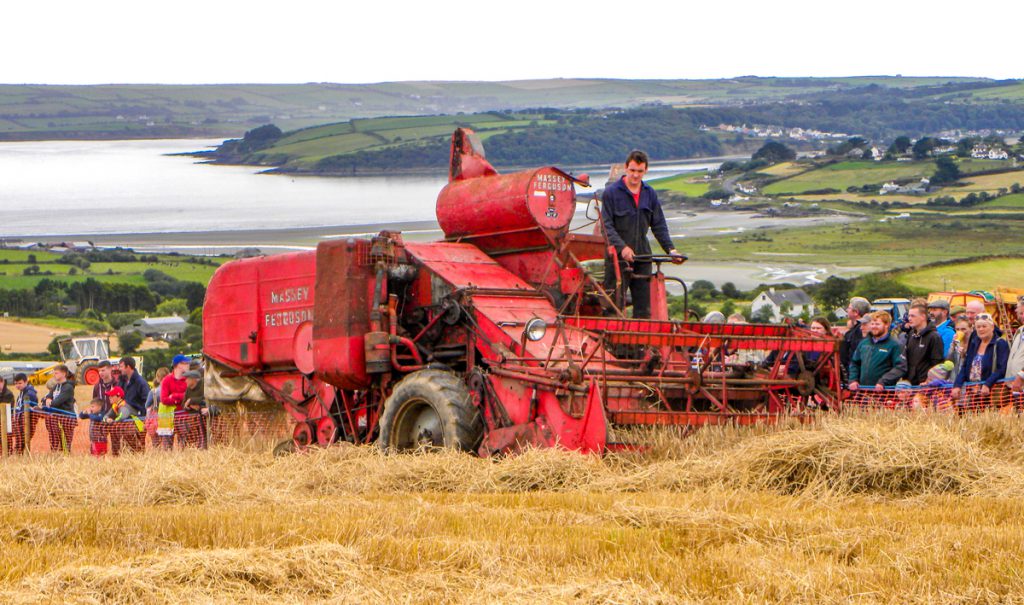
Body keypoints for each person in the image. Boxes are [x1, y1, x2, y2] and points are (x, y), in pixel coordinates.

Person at [601, 149, 684, 319]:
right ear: (625, 168)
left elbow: (659, 225)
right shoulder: (611, 193)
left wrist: (671, 250)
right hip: (617, 259)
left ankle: (640, 345)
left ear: (646, 170)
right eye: (632, 170)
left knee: (644, 308)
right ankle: (614, 344)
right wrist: (622, 248)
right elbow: (606, 227)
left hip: (643, 257)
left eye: (640, 171)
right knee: (614, 306)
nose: (636, 175)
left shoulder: (650, 194)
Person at [952, 313, 1009, 402]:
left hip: (990, 393)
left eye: (984, 326)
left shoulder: (1000, 344)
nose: (981, 329)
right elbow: (965, 366)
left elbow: (1002, 369)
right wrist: (957, 385)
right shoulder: (974, 343)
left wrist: (988, 384)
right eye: (978, 327)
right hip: (972, 393)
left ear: (992, 327)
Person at [849, 311, 906, 391]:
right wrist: (853, 380)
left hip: (884, 392)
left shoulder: (895, 345)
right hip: (863, 391)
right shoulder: (864, 343)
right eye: (872, 324)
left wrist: (883, 381)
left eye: (877, 324)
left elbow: (900, 367)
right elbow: (855, 363)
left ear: (886, 325)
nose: (874, 327)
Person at [904, 303, 945, 386]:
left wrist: (929, 381)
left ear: (923, 316)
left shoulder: (934, 337)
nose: (909, 319)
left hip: (925, 385)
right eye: (909, 316)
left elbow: (937, 363)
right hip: (910, 384)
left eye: (913, 316)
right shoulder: (911, 334)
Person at [40, 364, 77, 452]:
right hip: (56, 417)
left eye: (56, 373)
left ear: (64, 374)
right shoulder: (56, 386)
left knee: (65, 444)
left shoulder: (68, 387)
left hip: (66, 417)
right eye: (54, 373)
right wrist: (48, 399)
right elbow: (47, 397)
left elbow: (57, 402)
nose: (54, 375)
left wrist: (49, 402)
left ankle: (66, 459)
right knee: (55, 441)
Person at [157, 355, 191, 449]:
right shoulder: (167, 380)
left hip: (184, 416)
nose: (188, 365)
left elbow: (190, 397)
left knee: (185, 445)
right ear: (178, 365)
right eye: (186, 363)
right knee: (167, 447)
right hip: (168, 418)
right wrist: (182, 399)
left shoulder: (188, 380)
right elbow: (164, 399)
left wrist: (174, 396)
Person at [839, 297, 871, 382]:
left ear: (856, 312)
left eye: (849, 308)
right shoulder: (854, 330)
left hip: (855, 377)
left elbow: (855, 354)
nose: (846, 310)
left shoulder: (860, 331)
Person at [10, 373, 40, 454]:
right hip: (19, 421)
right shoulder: (21, 392)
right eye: (16, 383)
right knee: (19, 442)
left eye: (20, 383)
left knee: (22, 443)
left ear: (26, 382)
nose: (17, 385)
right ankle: (18, 456)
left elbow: (27, 409)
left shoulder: (29, 393)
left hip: (26, 422)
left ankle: (20, 457)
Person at [1007, 297, 1024, 393]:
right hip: (1015, 386)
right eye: (1021, 313)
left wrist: (1021, 375)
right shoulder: (1019, 331)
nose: (1023, 316)